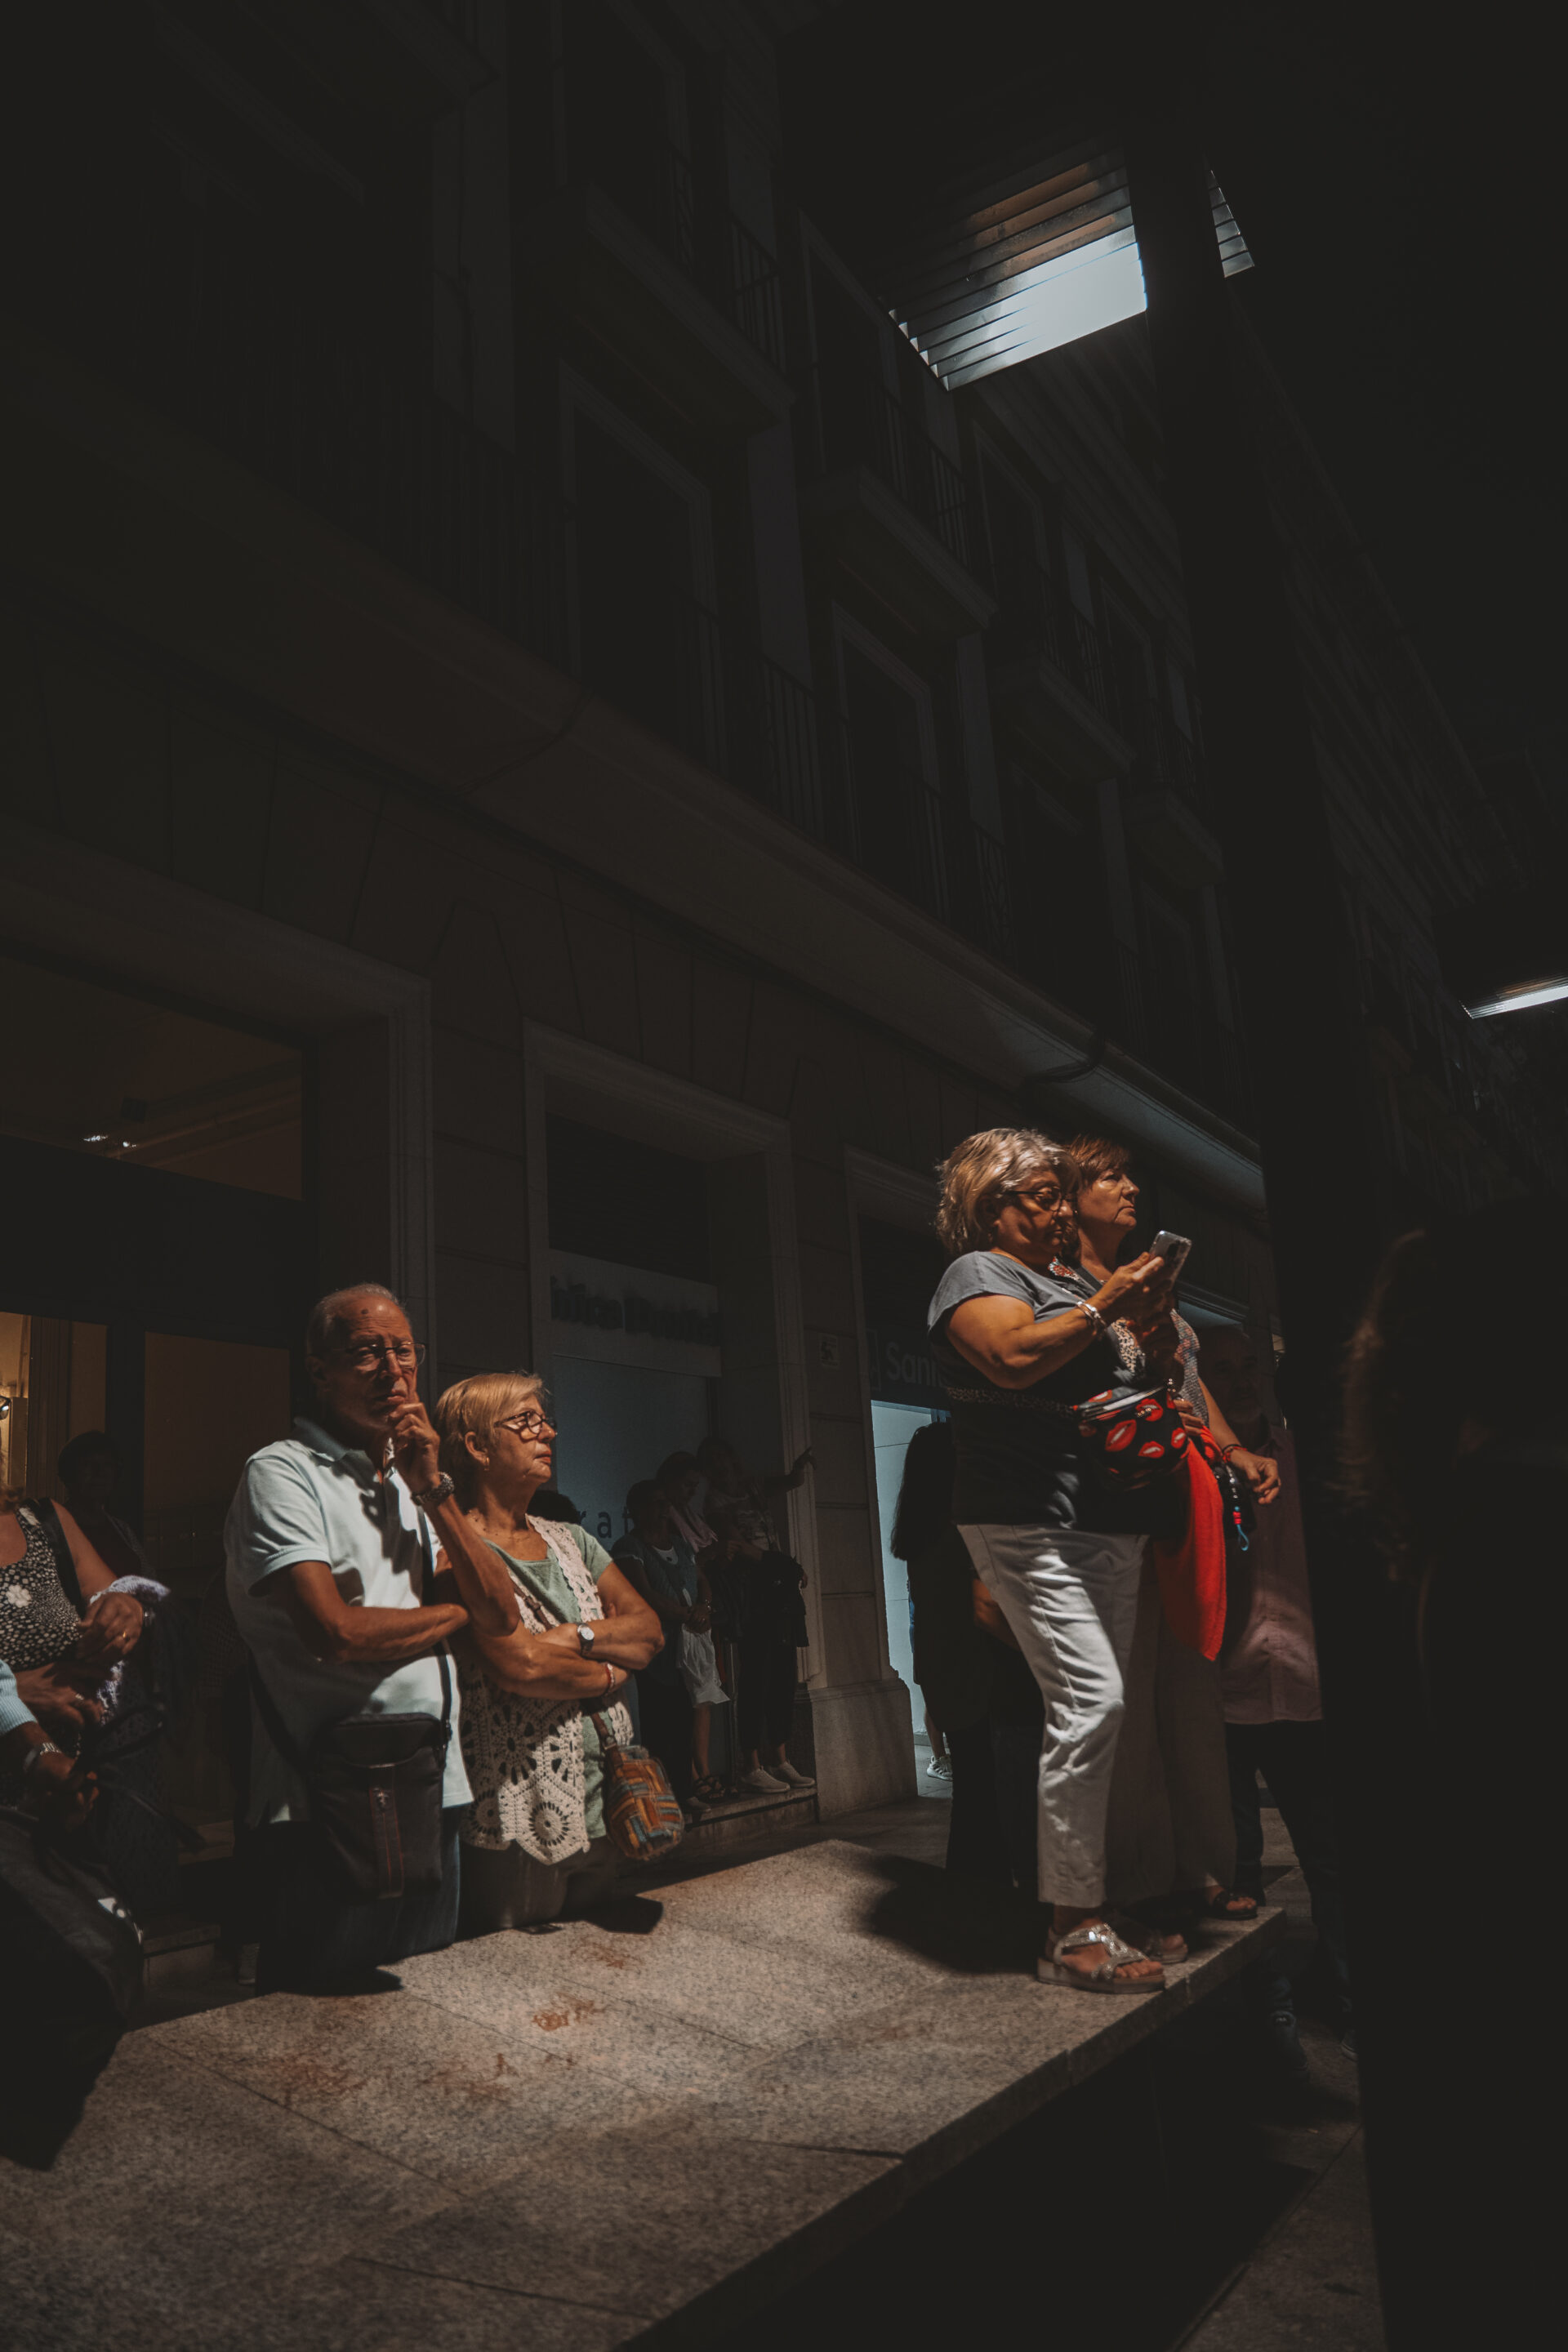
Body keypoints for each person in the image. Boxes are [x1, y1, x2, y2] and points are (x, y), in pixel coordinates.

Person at [928, 1127, 1181, 1990]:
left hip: (1105, 1515)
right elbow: (1009, 1359)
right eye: (1043, 1195)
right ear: (988, 1204)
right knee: (1092, 1700)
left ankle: (1092, 1899)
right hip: (1024, 1516)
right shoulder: (980, 1274)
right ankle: (1070, 1928)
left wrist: (1153, 1333)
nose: (1063, 1209)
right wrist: (1107, 1304)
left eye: (1064, 1195)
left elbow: (1124, 1378)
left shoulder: (1072, 1282)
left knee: (1103, 1717)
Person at [225, 1284, 522, 1990]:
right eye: (367, 1352)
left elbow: (500, 1613)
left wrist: (434, 1489)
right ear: (320, 1370)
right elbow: (334, 1631)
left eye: (405, 1351)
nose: (393, 1370)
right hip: (327, 1792)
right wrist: (452, 1619)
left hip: (431, 1780)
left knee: (421, 1994)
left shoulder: (412, 1483)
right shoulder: (282, 1471)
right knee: (317, 2007)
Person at [1068, 1135, 1271, 1933]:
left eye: (1128, 1176)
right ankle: (1143, 1882)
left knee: (1190, 1696)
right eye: (1109, 1177)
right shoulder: (1069, 1291)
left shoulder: (1154, 1290)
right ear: (1070, 1198)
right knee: (1131, 1701)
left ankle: (1206, 1870)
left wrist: (1234, 1448)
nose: (1128, 1188)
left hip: (1184, 1506)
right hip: (1116, 1508)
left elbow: (1191, 1383)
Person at [432, 1376, 662, 1931]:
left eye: (546, 1420)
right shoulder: (454, 1552)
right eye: (527, 1421)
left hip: (605, 1798)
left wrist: (576, 1637)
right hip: (518, 1808)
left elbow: (650, 1633)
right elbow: (522, 1667)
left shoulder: (572, 1540)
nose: (548, 1433)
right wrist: (614, 1672)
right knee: (521, 1970)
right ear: (478, 1446)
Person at [1203, 1322, 1352, 2069]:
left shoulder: (1302, 1459)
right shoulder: (1196, 1465)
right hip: (1222, 1696)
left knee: (1331, 1858)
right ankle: (1270, 2010)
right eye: (1221, 1370)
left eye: (1246, 1367)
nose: (1238, 1382)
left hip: (1304, 1687)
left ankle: (1349, 1997)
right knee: (1239, 1869)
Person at [893, 1419, 1043, 1886]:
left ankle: (968, 1894)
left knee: (973, 1795)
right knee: (991, 1796)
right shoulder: (963, 1531)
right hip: (980, 1673)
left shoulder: (918, 1534)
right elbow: (986, 1610)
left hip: (946, 1671)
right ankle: (982, 1894)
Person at [0, 1470, 150, 1805]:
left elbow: (111, 1595)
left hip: (83, 1776)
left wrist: (125, 1609)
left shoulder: (44, 1521)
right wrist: (15, 1697)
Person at [697, 1436, 815, 1795]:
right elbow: (743, 1548)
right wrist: (785, 1566)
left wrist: (799, 1469)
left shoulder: (752, 1486)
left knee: (782, 1676)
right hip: (752, 1592)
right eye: (713, 1462)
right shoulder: (715, 1501)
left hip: (776, 1586)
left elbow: (789, 1483)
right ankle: (751, 1763)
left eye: (724, 1458)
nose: (722, 1467)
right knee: (757, 1678)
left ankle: (779, 1758)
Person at [614, 1480, 727, 1811]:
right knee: (659, 1723)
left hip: (688, 1647)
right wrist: (686, 1614)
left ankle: (685, 1789)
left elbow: (701, 1579)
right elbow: (644, 1594)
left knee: (684, 1719)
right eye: (656, 1503)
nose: (664, 1510)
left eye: (666, 1503)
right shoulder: (629, 1547)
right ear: (637, 1510)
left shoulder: (679, 1544)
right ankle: (661, 1797)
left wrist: (705, 1608)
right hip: (656, 1651)